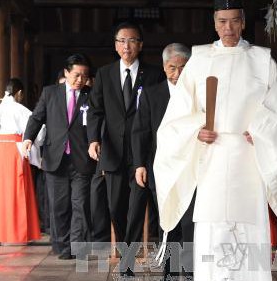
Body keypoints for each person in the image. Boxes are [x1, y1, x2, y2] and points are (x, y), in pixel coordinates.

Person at [153, 0, 277, 280]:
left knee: (249, 228)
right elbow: (177, 117)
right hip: (211, 157)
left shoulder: (263, 61)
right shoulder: (199, 60)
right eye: (222, 21)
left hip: (248, 157)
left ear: (243, 22)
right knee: (212, 228)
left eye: (234, 21)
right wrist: (196, 130)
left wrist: (262, 129)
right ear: (214, 23)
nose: (228, 28)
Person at [87, 21, 165, 276]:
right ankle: (125, 250)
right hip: (113, 151)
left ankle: (128, 261)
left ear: (140, 45)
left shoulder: (153, 75)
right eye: (122, 40)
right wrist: (93, 139)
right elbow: (96, 110)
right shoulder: (105, 74)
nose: (127, 45)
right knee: (115, 208)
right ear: (115, 45)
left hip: (142, 153)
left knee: (135, 209)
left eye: (132, 40)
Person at [23, 54, 96, 260]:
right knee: (59, 206)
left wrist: (95, 142)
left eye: (84, 76)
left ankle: (76, 246)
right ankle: (62, 245)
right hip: (56, 158)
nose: (80, 80)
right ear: (66, 73)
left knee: (80, 204)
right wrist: (28, 137)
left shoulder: (91, 95)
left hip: (82, 159)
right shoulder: (50, 93)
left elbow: (96, 122)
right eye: (76, 75)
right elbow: (37, 117)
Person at [131, 43, 193, 278]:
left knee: (189, 220)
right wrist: (139, 165)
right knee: (168, 220)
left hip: (191, 167)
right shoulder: (151, 93)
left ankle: (189, 270)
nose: (177, 74)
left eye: (183, 68)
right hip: (162, 169)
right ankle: (170, 269)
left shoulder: (199, 93)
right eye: (172, 68)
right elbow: (140, 132)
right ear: (164, 67)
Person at [0, 78, 41, 244]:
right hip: (16, 151)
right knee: (18, 191)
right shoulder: (21, 109)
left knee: (2, 193)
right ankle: (18, 234)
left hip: (0, 151)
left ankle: (2, 233)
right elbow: (37, 130)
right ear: (19, 93)